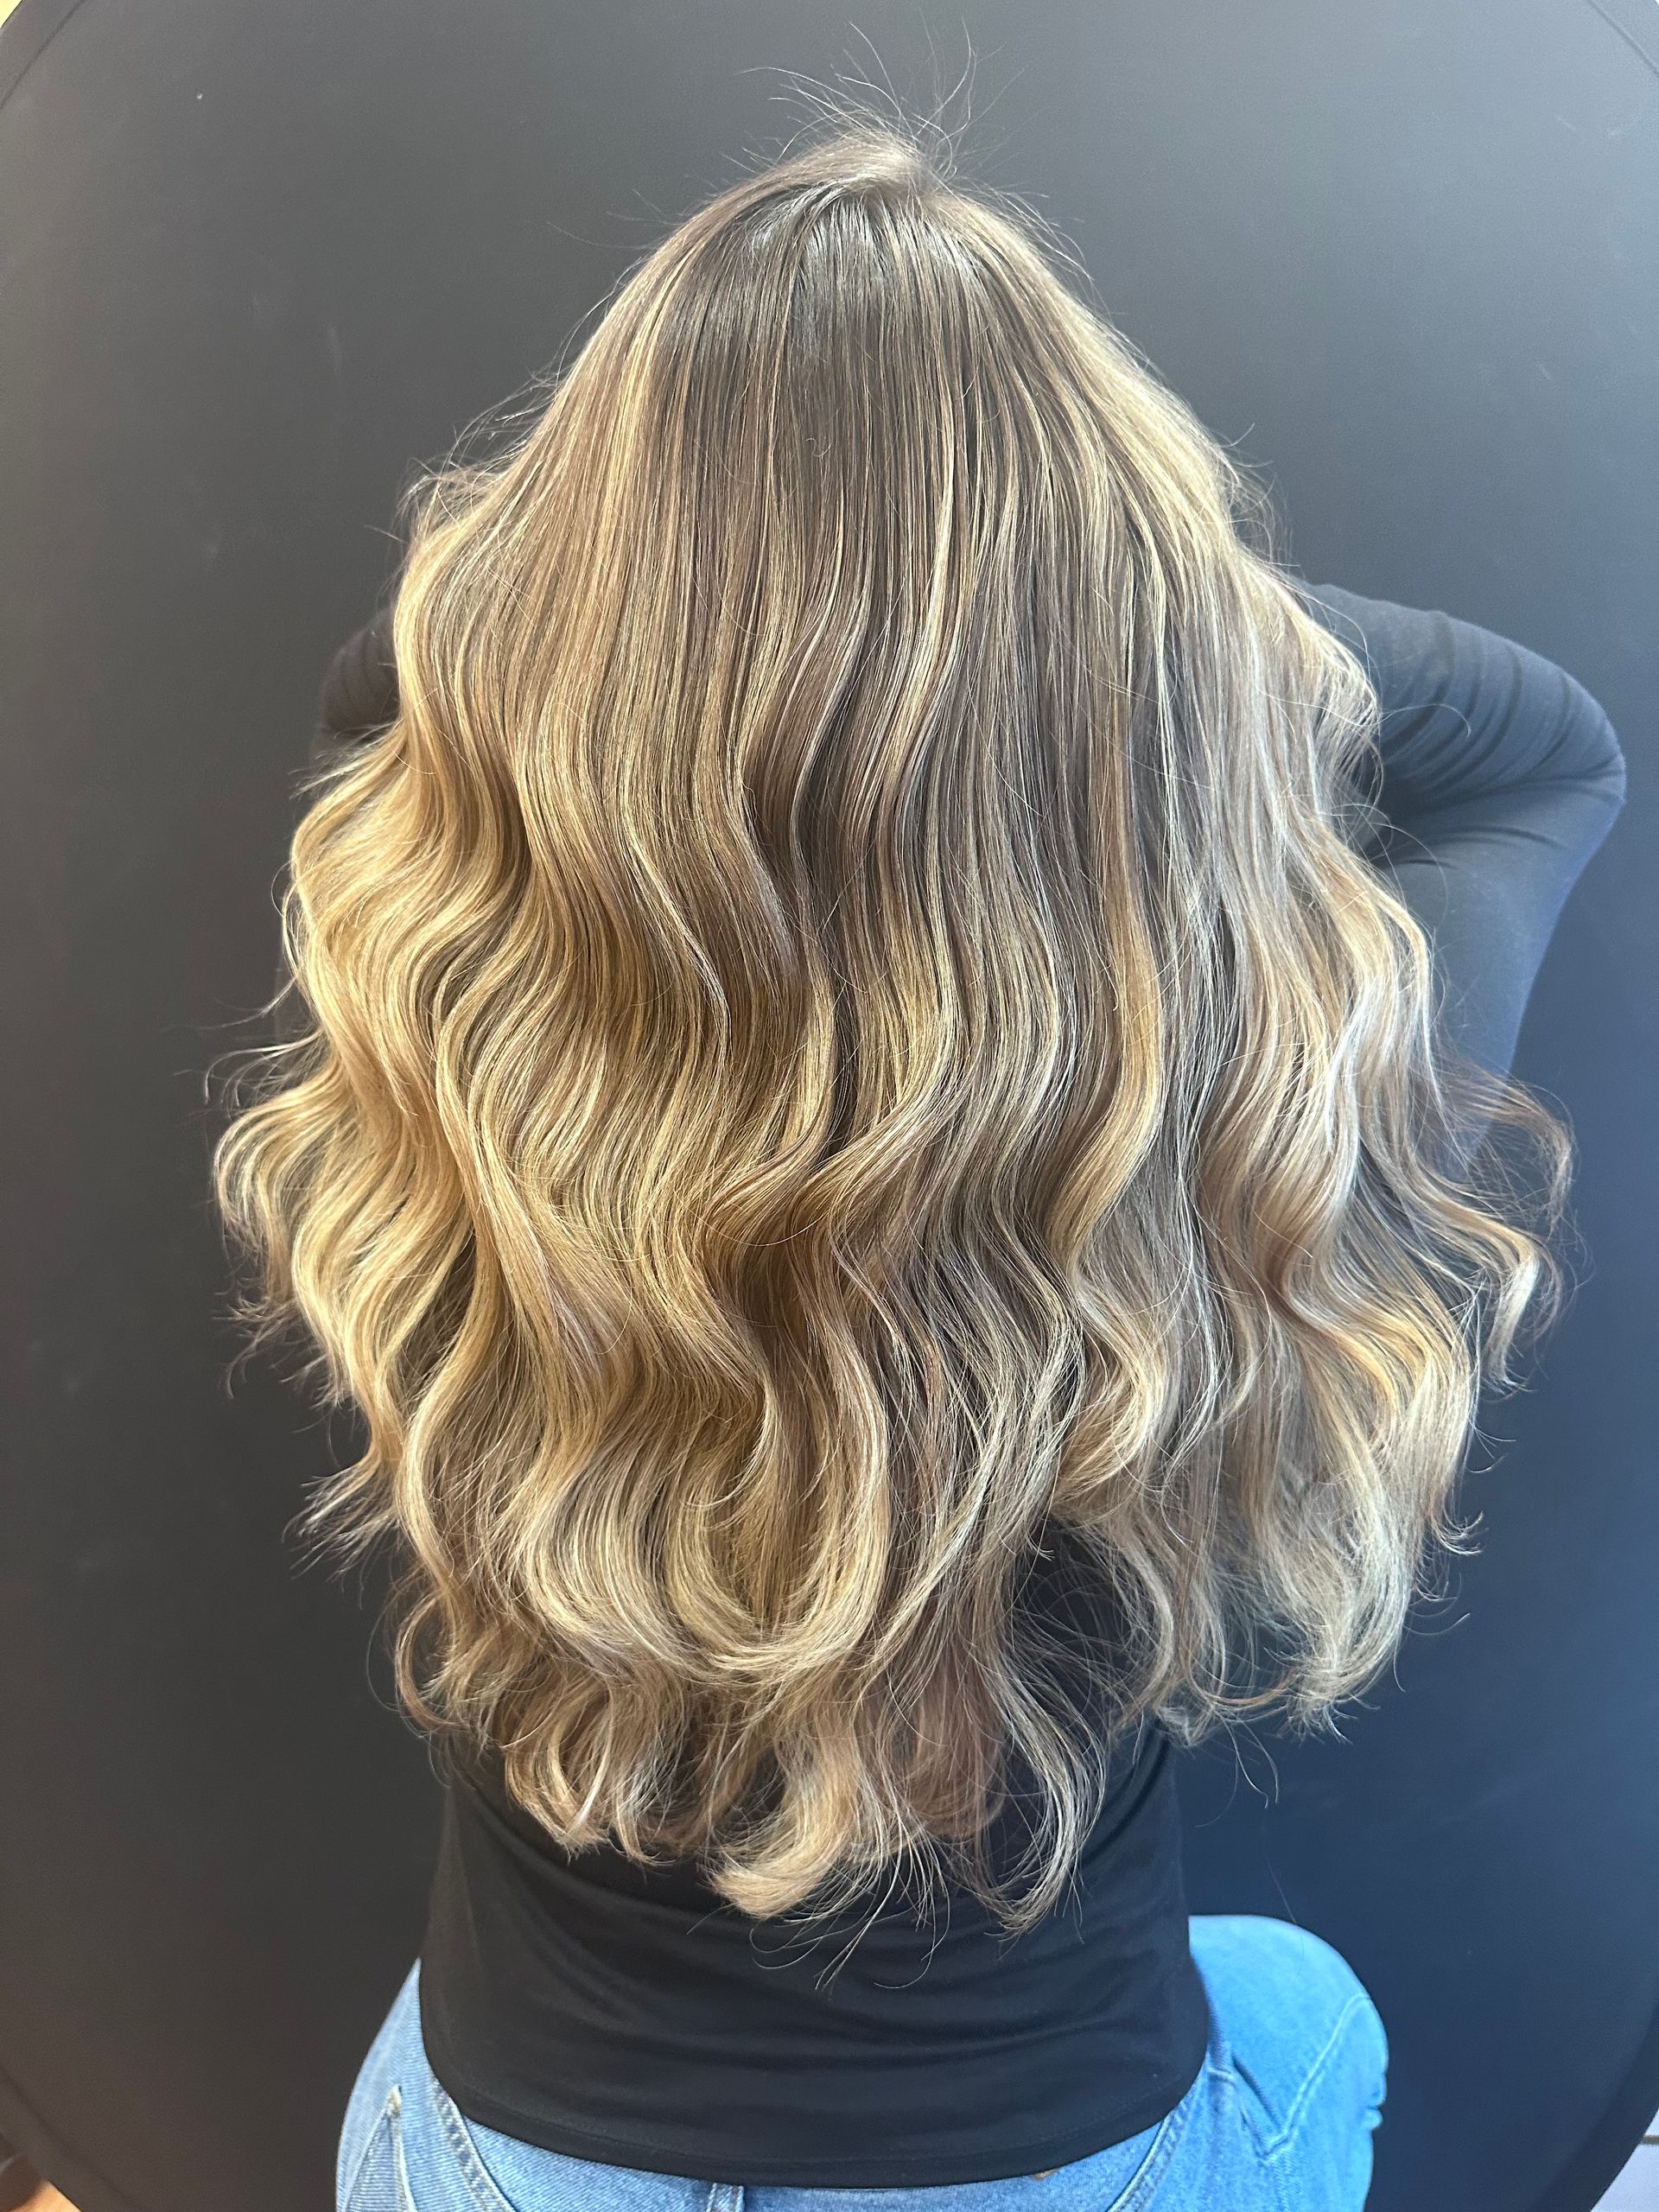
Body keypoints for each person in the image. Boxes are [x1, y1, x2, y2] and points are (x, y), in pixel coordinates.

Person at [210, 109, 1626, 2212]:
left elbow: (376, 695)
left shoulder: (473, 1056)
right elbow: (1543, 746)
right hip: (1056, 2157)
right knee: (1313, 2005)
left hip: (488, 2155)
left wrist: (669, 601)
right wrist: (1108, 633)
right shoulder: (1279, 1110)